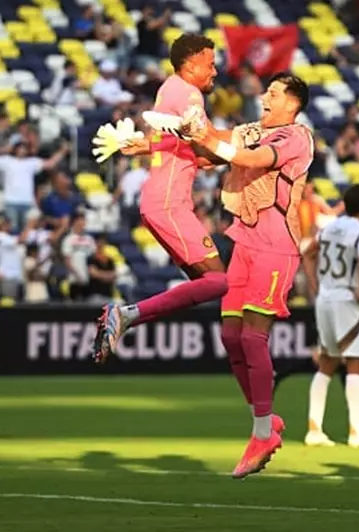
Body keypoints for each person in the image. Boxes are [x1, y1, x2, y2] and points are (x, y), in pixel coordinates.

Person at [190, 73, 313, 479]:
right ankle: (266, 420)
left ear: (292, 103)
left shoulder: (297, 137)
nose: (264, 97)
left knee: (252, 337)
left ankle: (261, 433)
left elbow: (251, 159)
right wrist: (148, 143)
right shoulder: (252, 130)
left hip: (276, 245)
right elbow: (214, 143)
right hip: (244, 241)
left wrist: (206, 137)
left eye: (274, 93)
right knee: (230, 337)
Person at [94, 34, 227, 361]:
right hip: (169, 204)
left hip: (162, 202)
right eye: (210, 64)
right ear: (191, 65)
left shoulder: (170, 89)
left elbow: (188, 147)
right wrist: (252, 145)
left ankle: (127, 318)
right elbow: (207, 143)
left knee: (211, 286)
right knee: (220, 281)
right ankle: (126, 314)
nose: (215, 71)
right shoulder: (190, 93)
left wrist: (144, 145)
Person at [301, 184, 359, 449]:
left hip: (325, 299)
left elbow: (308, 253)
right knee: (356, 364)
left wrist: (315, 285)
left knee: (327, 363)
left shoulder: (330, 227)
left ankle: (314, 429)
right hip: (346, 300)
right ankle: (357, 432)